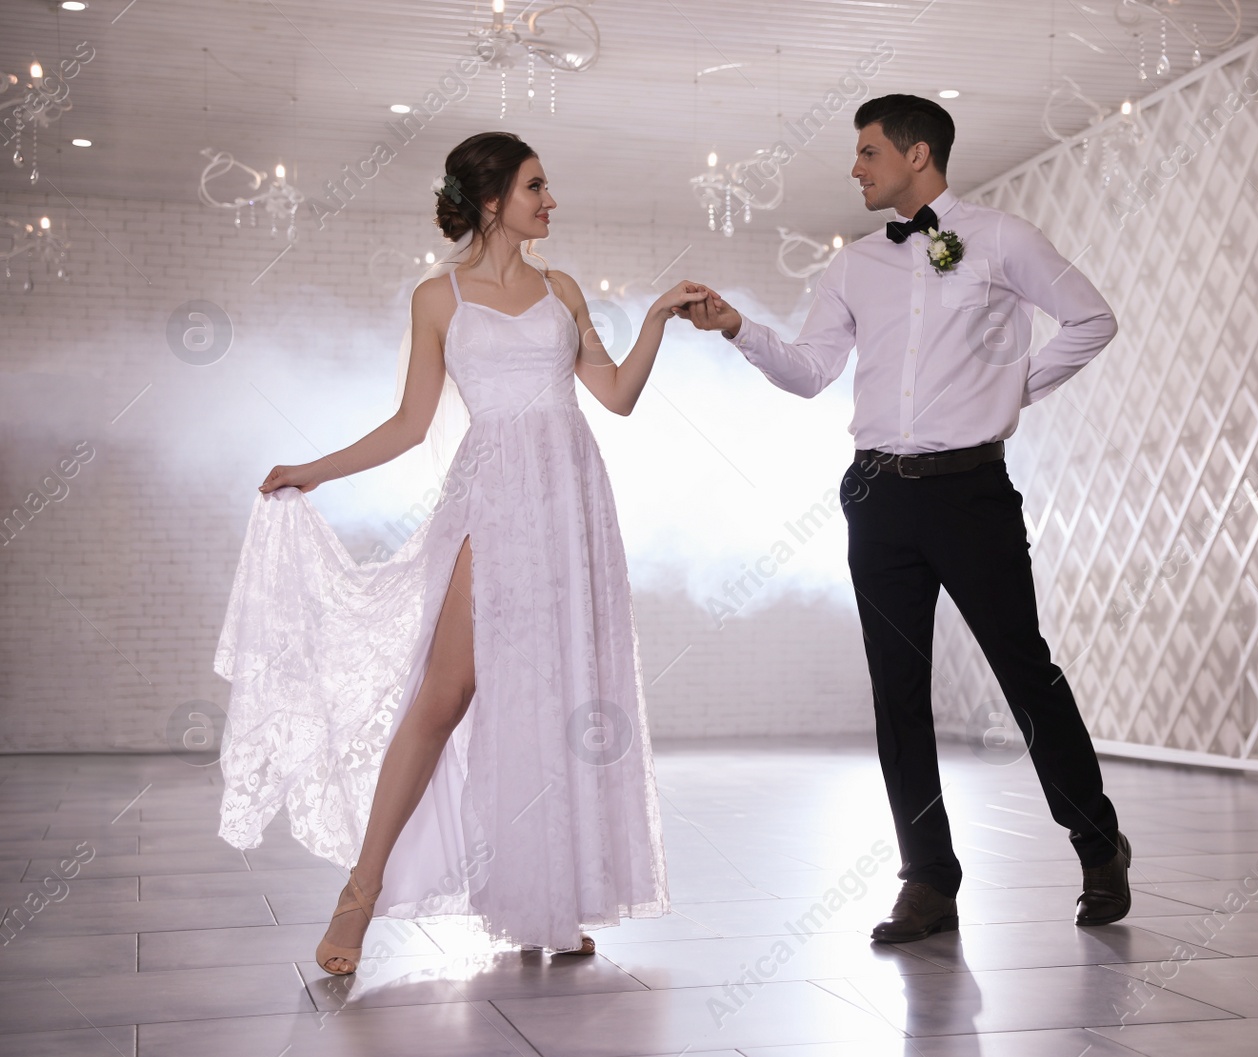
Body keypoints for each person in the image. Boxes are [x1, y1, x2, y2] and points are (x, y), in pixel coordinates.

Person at [214, 131, 709, 973]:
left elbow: (616, 396)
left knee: (558, 699)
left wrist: (658, 317)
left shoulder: (564, 290)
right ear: (491, 200)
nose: (550, 202)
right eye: (535, 187)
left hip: (573, 507)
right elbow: (411, 426)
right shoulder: (437, 298)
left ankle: (547, 902)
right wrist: (313, 470)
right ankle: (359, 893)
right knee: (443, 699)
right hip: (494, 502)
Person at [679, 94, 1132, 941]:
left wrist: (1010, 390)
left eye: (867, 152)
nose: (855, 168)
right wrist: (737, 327)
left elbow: (1092, 319)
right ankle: (928, 878)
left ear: (917, 154)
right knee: (897, 694)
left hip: (972, 493)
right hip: (876, 496)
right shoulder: (854, 264)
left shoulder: (1002, 239)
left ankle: (1099, 844)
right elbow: (813, 371)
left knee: (1025, 675)